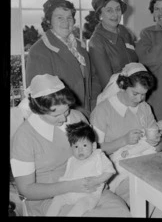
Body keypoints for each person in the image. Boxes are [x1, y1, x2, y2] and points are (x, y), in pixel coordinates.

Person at [10, 74, 130, 217]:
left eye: (66, 110)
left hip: (88, 188)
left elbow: (94, 151)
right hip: (48, 198)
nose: (64, 118)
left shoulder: (76, 117)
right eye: (56, 115)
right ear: (38, 110)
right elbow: (26, 189)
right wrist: (71, 185)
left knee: (120, 210)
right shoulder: (24, 137)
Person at [90, 62, 162, 217]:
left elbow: (159, 147)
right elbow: (92, 152)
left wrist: (156, 141)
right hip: (117, 171)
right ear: (123, 84)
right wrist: (123, 141)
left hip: (145, 164)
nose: (140, 99)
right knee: (150, 195)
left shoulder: (144, 108)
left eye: (144, 94)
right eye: (135, 93)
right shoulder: (103, 110)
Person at [26, 0, 91, 118]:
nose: (66, 22)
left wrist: (92, 105)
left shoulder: (80, 47)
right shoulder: (39, 51)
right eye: (59, 17)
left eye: (69, 17)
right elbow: (43, 99)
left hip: (87, 113)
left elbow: (92, 79)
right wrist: (75, 114)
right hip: (61, 118)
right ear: (48, 21)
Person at [46, 121, 116, 216]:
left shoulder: (98, 156)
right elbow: (67, 177)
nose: (80, 150)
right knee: (56, 200)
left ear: (94, 146)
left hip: (89, 194)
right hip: (69, 192)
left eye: (85, 145)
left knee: (80, 206)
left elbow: (110, 171)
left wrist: (97, 180)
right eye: (76, 146)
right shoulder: (72, 160)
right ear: (71, 147)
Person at [88, 0, 138, 109]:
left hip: (132, 94)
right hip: (111, 100)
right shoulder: (96, 42)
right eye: (109, 10)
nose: (115, 15)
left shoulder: (124, 32)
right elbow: (108, 83)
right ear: (100, 15)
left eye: (117, 9)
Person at [108, 120, 162, 193]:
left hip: (132, 160)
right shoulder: (145, 133)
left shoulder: (152, 145)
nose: (156, 129)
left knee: (119, 173)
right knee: (113, 160)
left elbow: (140, 149)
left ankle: (110, 188)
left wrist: (129, 152)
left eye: (160, 130)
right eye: (156, 125)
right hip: (122, 153)